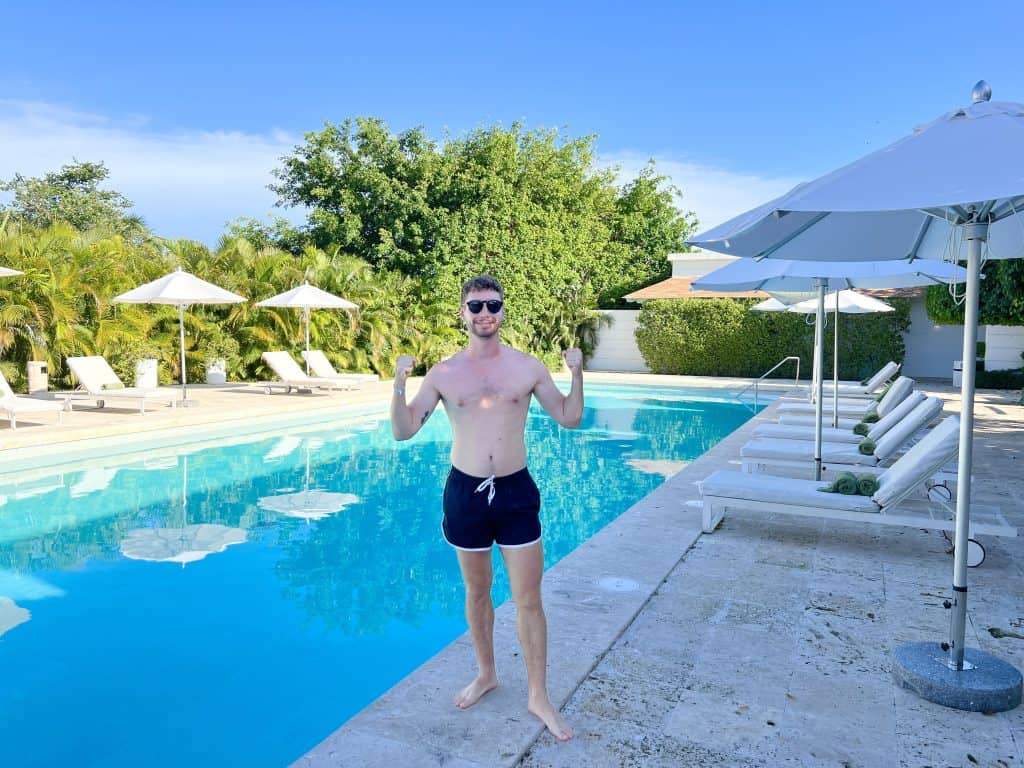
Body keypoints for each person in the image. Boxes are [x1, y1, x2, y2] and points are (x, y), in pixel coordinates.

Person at [390, 274, 583, 742]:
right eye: (475, 306)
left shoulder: (527, 367)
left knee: (528, 598)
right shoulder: (444, 373)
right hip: (465, 493)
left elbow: (569, 417)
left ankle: (538, 696)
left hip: (515, 493)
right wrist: (398, 383)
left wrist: (577, 373)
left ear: (502, 311)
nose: (484, 313)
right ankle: (486, 674)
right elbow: (404, 429)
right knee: (477, 591)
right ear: (463, 312)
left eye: (492, 305)